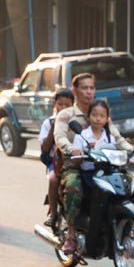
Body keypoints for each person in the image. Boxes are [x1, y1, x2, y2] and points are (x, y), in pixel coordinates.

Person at [56, 76, 134, 253]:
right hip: (76, 164)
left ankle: (123, 225)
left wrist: (132, 149)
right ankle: (70, 235)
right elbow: (60, 138)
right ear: (75, 90)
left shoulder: (102, 115)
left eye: (92, 87)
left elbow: (117, 139)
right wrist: (72, 148)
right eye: (84, 88)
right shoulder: (66, 115)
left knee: (127, 183)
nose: (89, 91)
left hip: (103, 165)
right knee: (74, 187)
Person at [40, 88, 75, 226]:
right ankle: (53, 214)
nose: (63, 108)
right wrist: (55, 127)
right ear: (55, 104)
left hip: (76, 161)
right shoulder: (48, 123)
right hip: (57, 162)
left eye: (67, 105)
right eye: (60, 104)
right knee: (54, 179)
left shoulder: (77, 122)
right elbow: (45, 148)